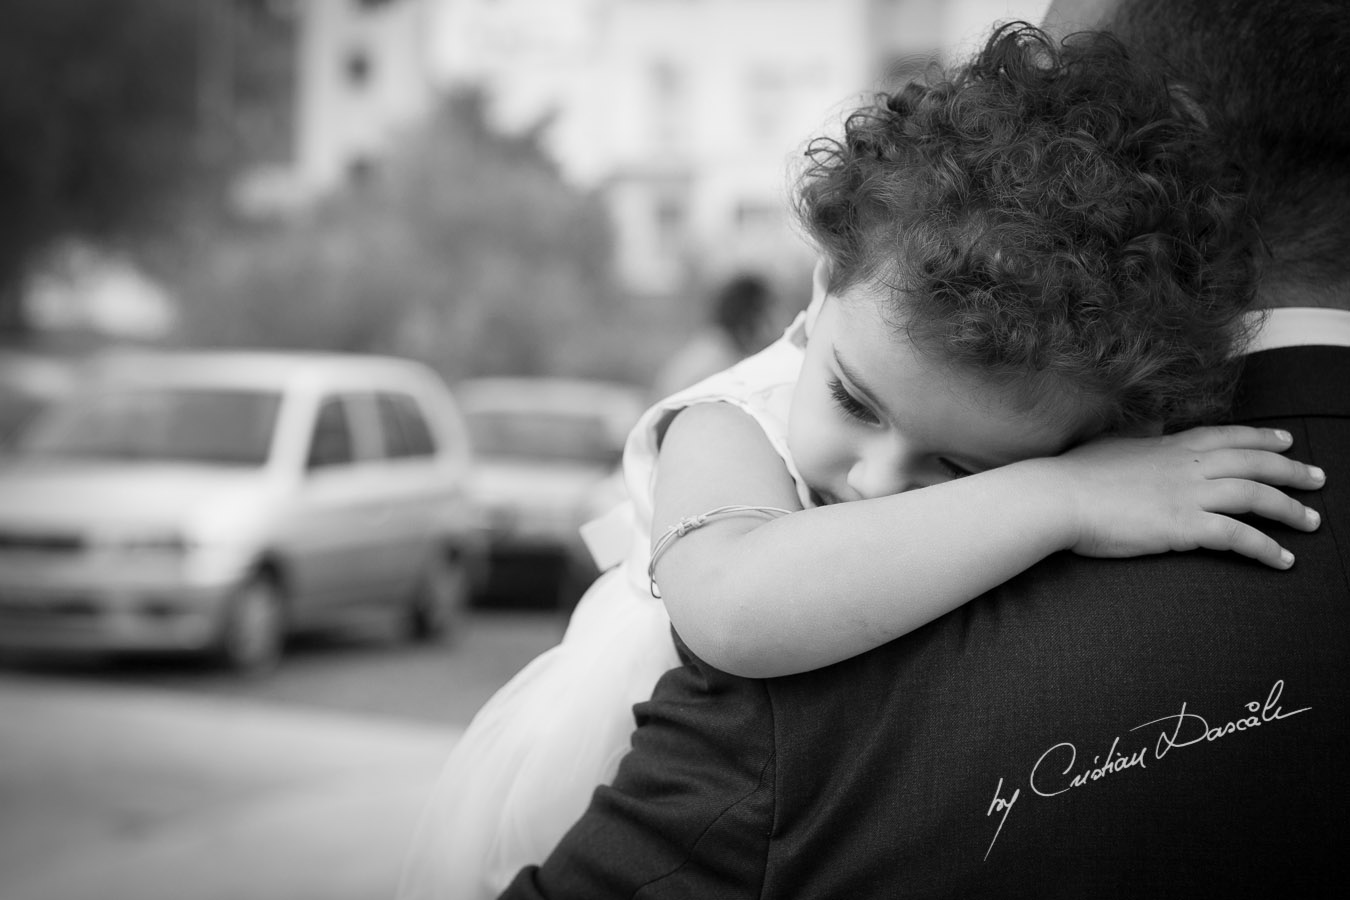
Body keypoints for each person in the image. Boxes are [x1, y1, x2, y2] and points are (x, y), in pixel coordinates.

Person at [405, 21, 1321, 900]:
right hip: (572, 822)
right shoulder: (729, 425)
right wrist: (1065, 498)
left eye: (961, 471)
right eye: (854, 402)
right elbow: (735, 611)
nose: (876, 481)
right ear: (822, 286)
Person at [650, 272, 779, 399]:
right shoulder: (718, 357)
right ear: (752, 314)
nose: (774, 323)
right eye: (769, 314)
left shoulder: (716, 345)